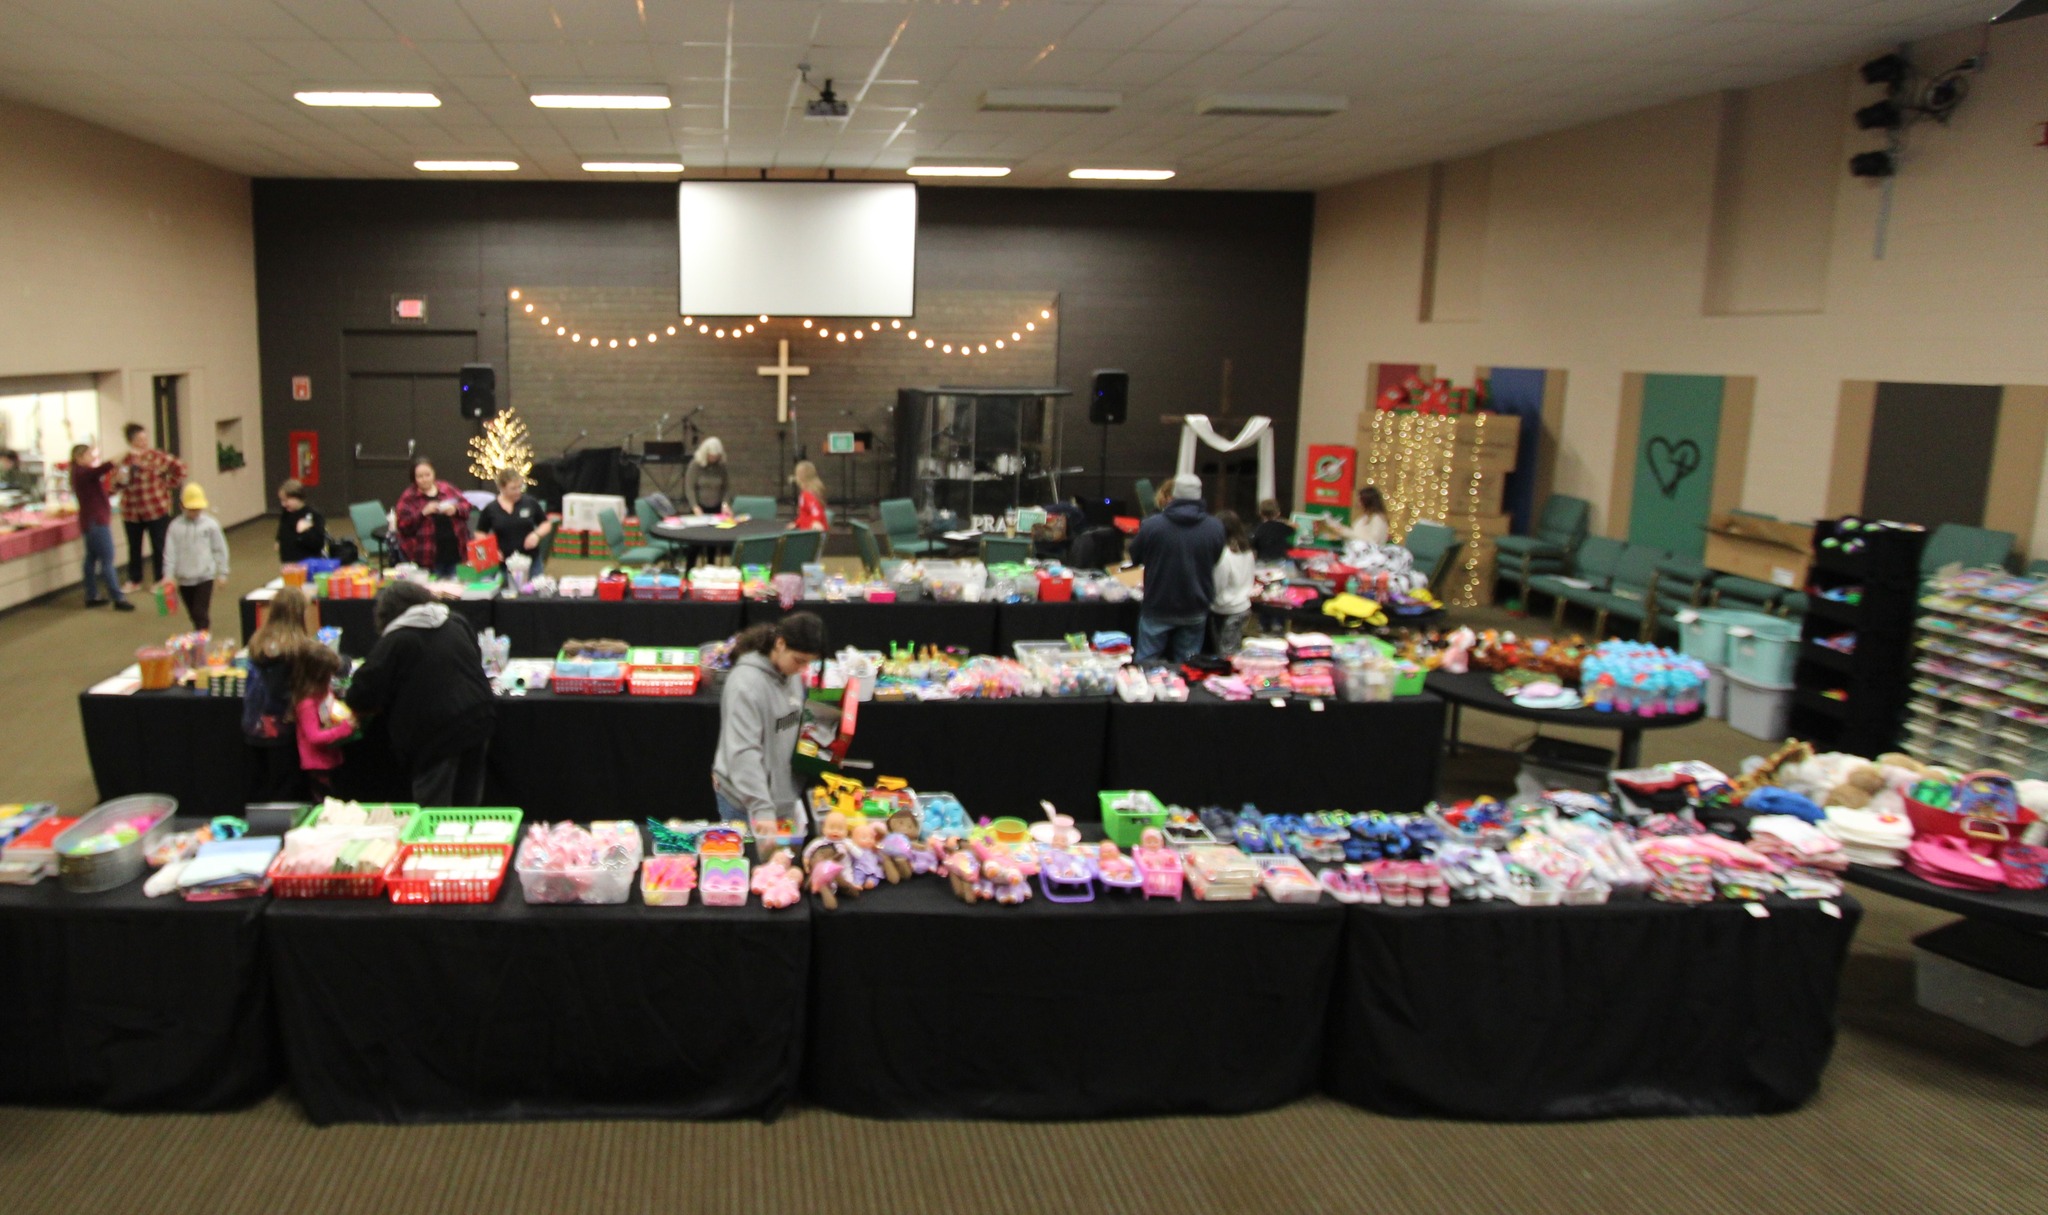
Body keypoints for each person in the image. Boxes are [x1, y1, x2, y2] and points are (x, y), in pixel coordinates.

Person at [344, 580, 496, 806]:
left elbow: (359, 695)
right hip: (479, 719)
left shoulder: (397, 640)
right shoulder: (456, 620)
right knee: (467, 809)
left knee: (433, 813)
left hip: (435, 736)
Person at [712, 612, 828, 828]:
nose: (801, 670)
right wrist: (762, 809)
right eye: (799, 661)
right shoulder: (745, 685)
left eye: (808, 664)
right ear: (780, 643)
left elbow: (793, 724)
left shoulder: (790, 673)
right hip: (746, 803)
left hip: (781, 797)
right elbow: (744, 751)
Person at [1128, 474, 1226, 664]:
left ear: (1173, 494)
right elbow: (1215, 558)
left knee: (1147, 662)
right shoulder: (1215, 527)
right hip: (1195, 605)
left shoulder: (1152, 525)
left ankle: (1147, 692)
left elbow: (1135, 556)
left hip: (1158, 603)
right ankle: (1185, 692)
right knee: (1188, 664)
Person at [244, 586, 316, 799]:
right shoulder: (297, 647)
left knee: (264, 782)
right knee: (286, 784)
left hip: (254, 725)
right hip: (283, 726)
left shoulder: (258, 641)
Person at [116, 422, 186, 592]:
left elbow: (180, 468)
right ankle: (134, 579)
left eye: (145, 438)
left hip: (155, 508)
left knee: (159, 545)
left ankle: (161, 579)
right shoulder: (124, 460)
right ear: (131, 441)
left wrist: (168, 484)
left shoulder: (156, 456)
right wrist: (123, 474)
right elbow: (118, 484)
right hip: (132, 510)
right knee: (134, 547)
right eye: (140, 439)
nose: (144, 441)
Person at [69, 444, 131, 610]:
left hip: (90, 521)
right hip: (96, 522)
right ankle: (118, 598)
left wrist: (115, 485)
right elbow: (103, 468)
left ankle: (92, 595)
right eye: (89, 454)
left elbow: (98, 494)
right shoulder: (82, 472)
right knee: (107, 559)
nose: (92, 457)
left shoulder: (81, 474)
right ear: (79, 457)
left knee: (91, 558)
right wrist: (123, 453)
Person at [290, 643, 355, 802]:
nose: (331, 680)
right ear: (318, 676)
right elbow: (314, 737)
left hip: (332, 758)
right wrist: (345, 728)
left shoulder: (324, 692)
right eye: (328, 676)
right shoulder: (307, 704)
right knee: (325, 805)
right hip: (318, 766)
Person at [161, 482, 228, 632]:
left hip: (205, 576)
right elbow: (170, 553)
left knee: (200, 612)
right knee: (193, 614)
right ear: (182, 506)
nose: (195, 512)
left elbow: (220, 549)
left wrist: (222, 573)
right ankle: (200, 637)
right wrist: (168, 575)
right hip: (184, 578)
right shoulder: (174, 527)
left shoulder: (211, 525)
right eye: (191, 509)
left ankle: (202, 641)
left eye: (198, 509)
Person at [393, 457, 471, 577]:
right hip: (428, 559)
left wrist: (455, 510)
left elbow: (466, 505)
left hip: (456, 553)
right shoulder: (408, 498)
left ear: (433, 474)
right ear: (414, 478)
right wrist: (423, 513)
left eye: (427, 475)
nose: (424, 479)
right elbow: (403, 526)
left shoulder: (447, 488)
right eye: (420, 476)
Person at [476, 468, 554, 575]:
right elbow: (480, 532)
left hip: (531, 563)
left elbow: (546, 524)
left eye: (520, 487)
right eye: (513, 489)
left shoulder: (530, 503)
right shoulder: (491, 509)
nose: (518, 492)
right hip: (503, 565)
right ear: (502, 488)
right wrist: (491, 551)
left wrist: (536, 535)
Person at [1211, 510, 1256, 657]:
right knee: (1234, 652)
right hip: (1243, 605)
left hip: (1225, 609)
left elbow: (1218, 584)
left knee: (1225, 655)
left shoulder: (1224, 555)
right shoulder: (1246, 550)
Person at [275, 478, 327, 564]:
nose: (283, 504)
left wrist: (305, 531)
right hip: (288, 560)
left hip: (306, 561)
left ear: (297, 497)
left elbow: (318, 542)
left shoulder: (313, 515)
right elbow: (282, 527)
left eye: (286, 500)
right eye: (281, 500)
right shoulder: (286, 512)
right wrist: (278, 539)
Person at [1317, 485, 1390, 546]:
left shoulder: (1377, 519)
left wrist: (1344, 531)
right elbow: (1356, 533)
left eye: (1360, 500)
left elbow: (1372, 541)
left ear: (1367, 501)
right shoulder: (1364, 517)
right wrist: (1339, 528)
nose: (1357, 503)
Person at [685, 437, 729, 514]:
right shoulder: (695, 465)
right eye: (711, 456)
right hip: (699, 508)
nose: (714, 459)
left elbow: (727, 487)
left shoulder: (721, 466)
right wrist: (694, 506)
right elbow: (689, 488)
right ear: (705, 453)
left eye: (716, 457)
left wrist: (725, 504)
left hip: (717, 508)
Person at [1252, 498, 1296, 564]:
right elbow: (1293, 528)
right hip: (1281, 560)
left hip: (1264, 561)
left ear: (1260, 513)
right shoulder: (1283, 527)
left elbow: (1254, 545)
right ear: (1278, 513)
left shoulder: (1259, 529)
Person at [791, 460, 827, 530]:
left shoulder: (808, 494)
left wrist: (816, 521)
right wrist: (797, 523)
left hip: (811, 533)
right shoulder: (807, 492)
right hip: (806, 530)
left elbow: (816, 511)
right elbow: (804, 514)